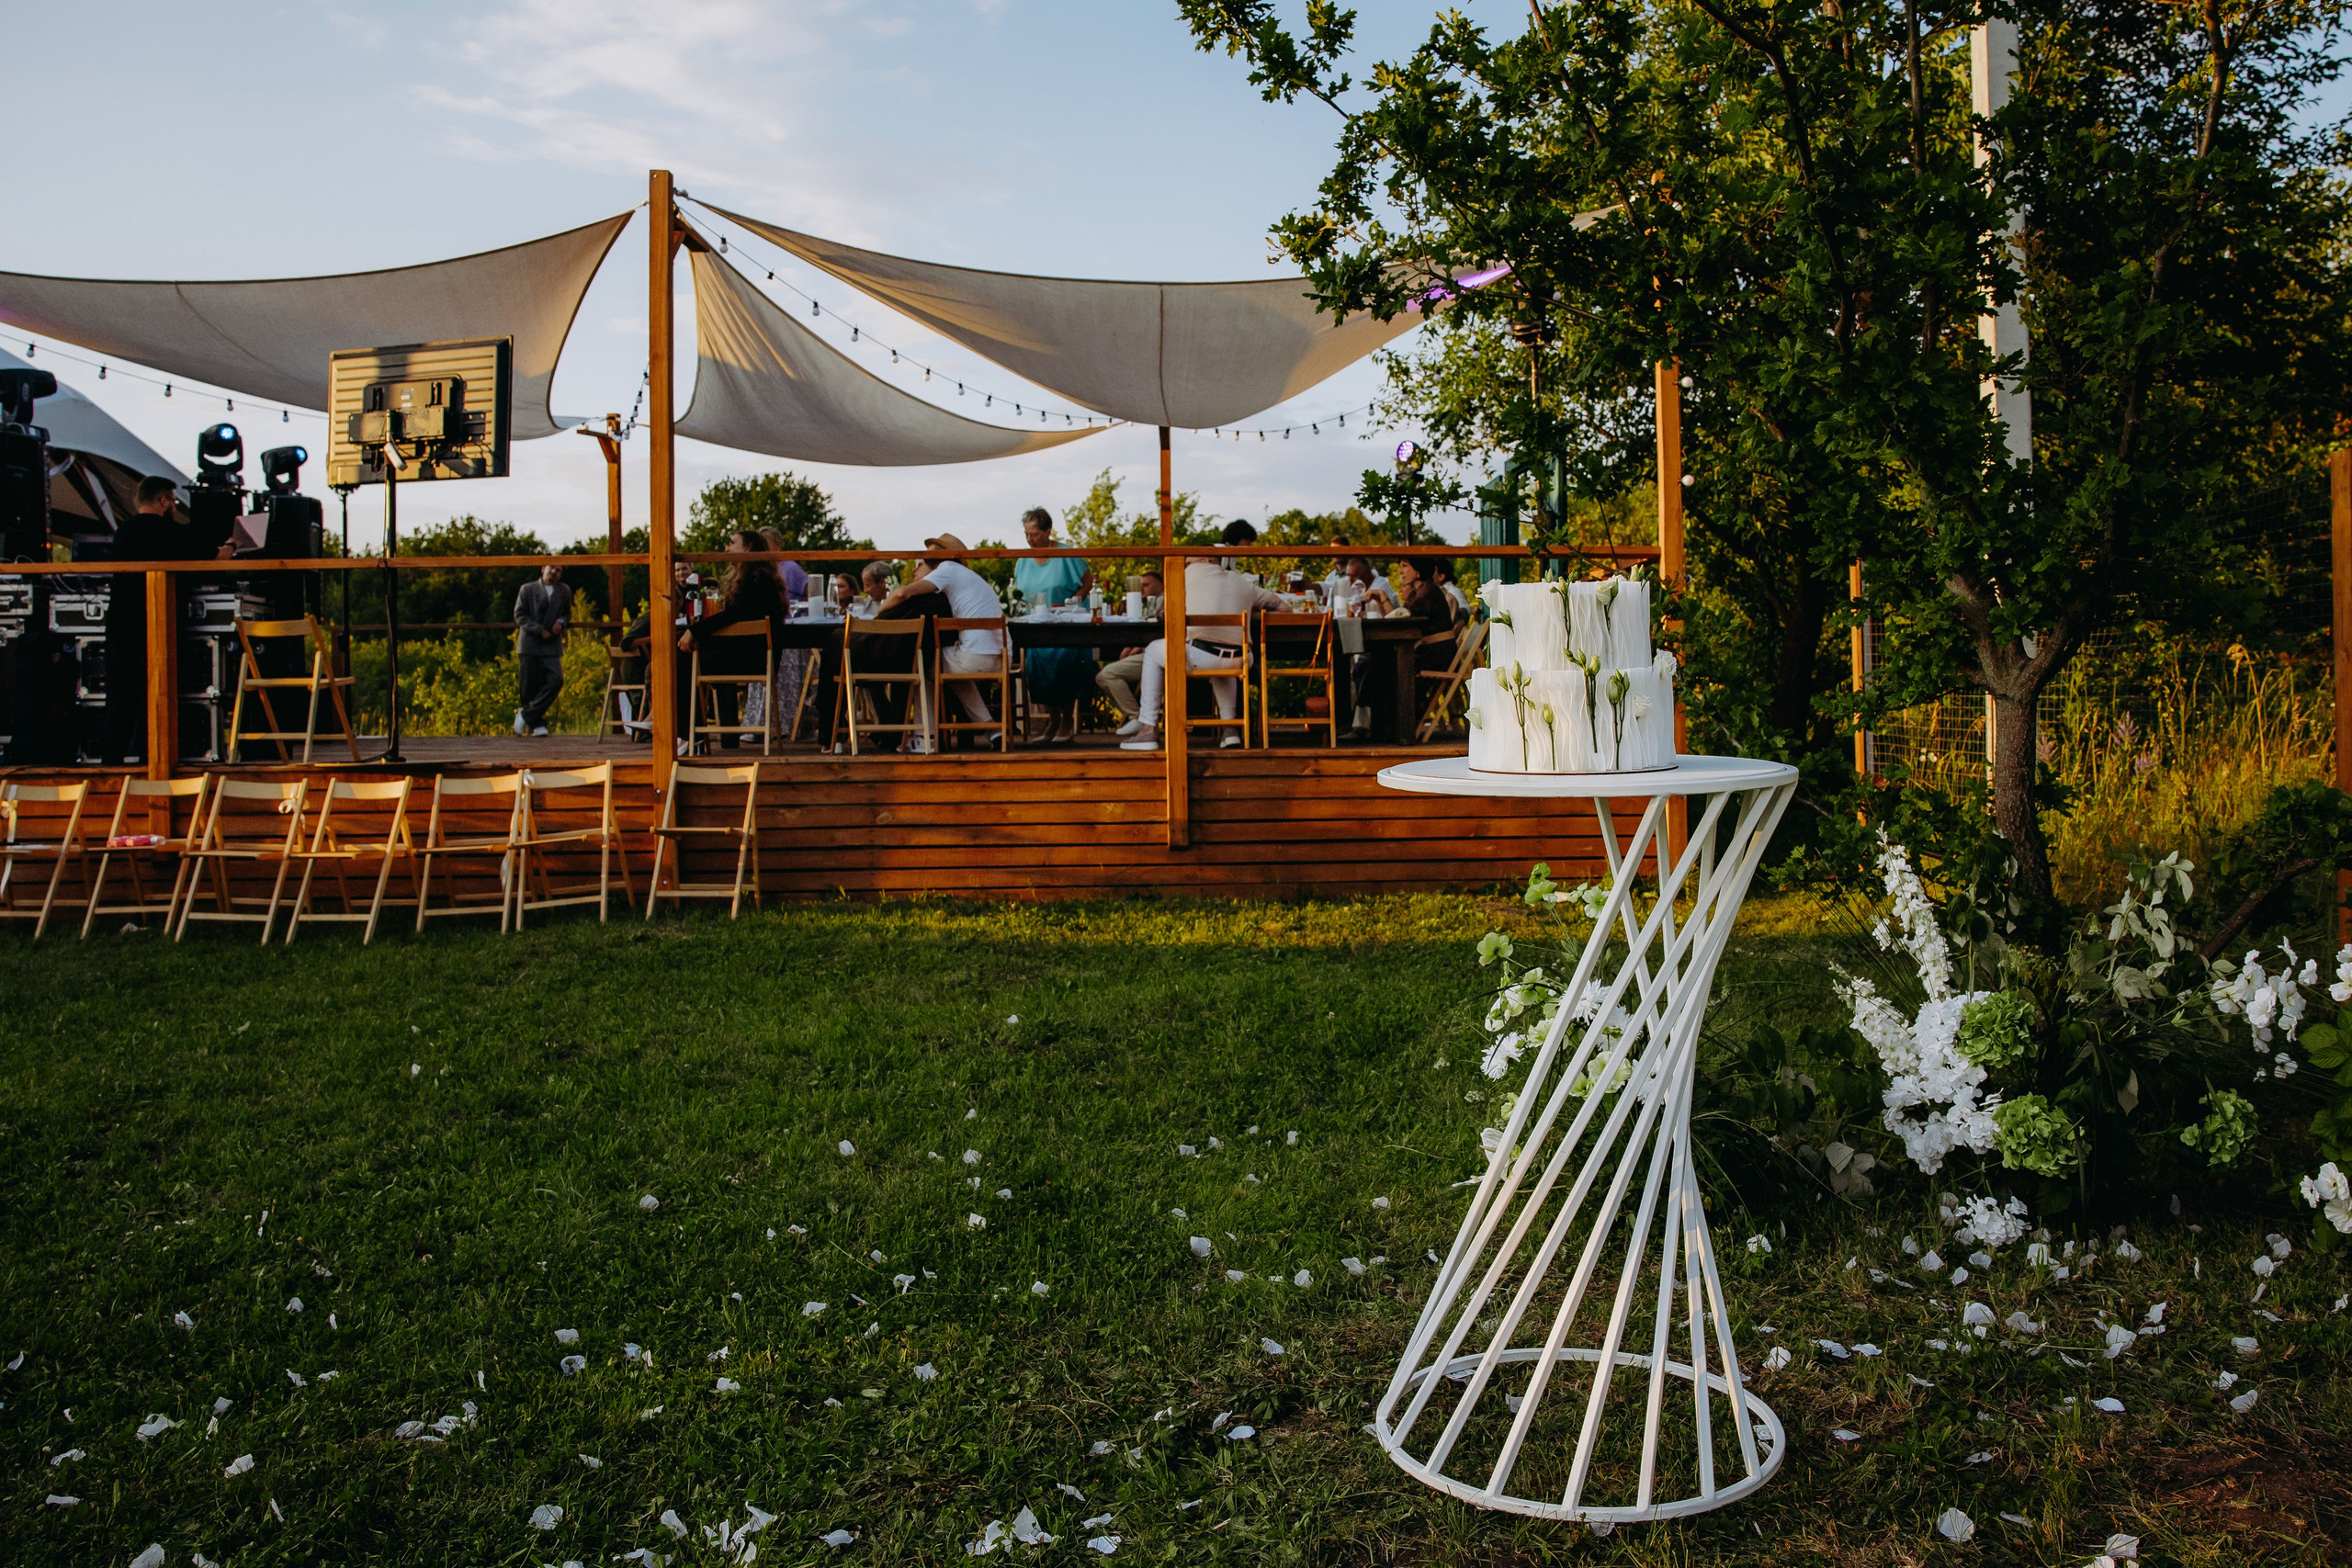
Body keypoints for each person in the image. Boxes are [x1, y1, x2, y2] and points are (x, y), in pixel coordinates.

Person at [1120, 520, 1283, 752]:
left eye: (1189, 560)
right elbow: (1284, 607)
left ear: (1205, 559)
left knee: (1155, 650)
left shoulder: (1188, 574)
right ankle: (1230, 731)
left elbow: (1164, 613)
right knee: (1223, 660)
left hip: (1201, 655)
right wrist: (1245, 611)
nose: (1185, 562)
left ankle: (1147, 729)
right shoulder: (1244, 583)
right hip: (1240, 660)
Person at [104, 476, 234, 763]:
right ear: (163, 500)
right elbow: (215, 558)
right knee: (153, 695)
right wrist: (231, 545)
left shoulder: (122, 531)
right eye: (172, 500)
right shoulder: (169, 531)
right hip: (156, 623)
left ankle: (110, 765)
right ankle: (151, 762)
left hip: (120, 623)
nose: (173, 505)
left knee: (119, 697)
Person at [876, 533, 1005, 748]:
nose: (928, 553)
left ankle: (925, 738)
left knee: (923, 666)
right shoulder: (971, 578)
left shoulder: (947, 570)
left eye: (934, 549)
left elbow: (902, 594)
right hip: (1000, 655)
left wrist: (878, 614)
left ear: (944, 555)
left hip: (976, 656)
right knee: (951, 672)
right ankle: (993, 730)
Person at [676, 530, 786, 750]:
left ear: (748, 549)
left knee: (681, 656)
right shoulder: (762, 577)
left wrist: (696, 631)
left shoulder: (756, 580)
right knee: (701, 653)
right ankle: (725, 740)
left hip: (750, 658)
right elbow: (736, 616)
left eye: (732, 543)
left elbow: (735, 614)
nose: (726, 548)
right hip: (753, 656)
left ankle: (689, 735)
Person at [1011, 505, 1093, 743]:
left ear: (1048, 531)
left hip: (1066, 620)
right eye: (1026, 534)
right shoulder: (1023, 559)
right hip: (1037, 622)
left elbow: (1087, 582)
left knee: (1065, 664)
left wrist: (1072, 601)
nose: (1030, 539)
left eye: (1035, 534)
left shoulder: (1066, 553)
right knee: (1039, 669)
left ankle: (1067, 721)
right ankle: (1053, 721)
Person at [1096, 568, 1162, 731]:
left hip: (1158, 654)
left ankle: (1138, 718)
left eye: (1146, 585)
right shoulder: (1150, 603)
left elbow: (1163, 628)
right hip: (1151, 651)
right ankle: (1138, 717)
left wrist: (1138, 646)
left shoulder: (1164, 600)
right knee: (1101, 677)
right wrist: (1133, 645)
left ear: (1161, 585)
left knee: (1108, 674)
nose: (1141, 589)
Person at [513, 562, 572, 737]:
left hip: (552, 645)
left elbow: (567, 613)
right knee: (529, 686)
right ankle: (536, 724)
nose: (554, 572)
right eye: (551, 568)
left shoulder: (564, 591)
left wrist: (561, 624)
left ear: (560, 575)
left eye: (558, 570)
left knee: (556, 679)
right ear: (543, 569)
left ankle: (526, 713)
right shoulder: (528, 589)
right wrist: (539, 630)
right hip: (530, 644)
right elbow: (519, 615)